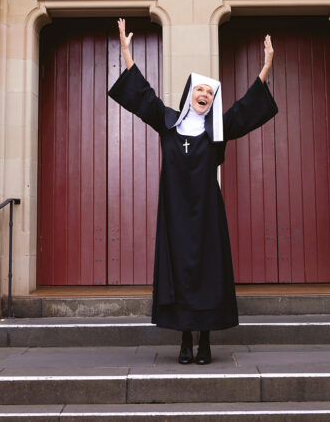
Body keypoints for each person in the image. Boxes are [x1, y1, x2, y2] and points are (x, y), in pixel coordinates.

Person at [107, 18, 277, 365]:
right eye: (200, 91)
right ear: (189, 94)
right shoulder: (168, 123)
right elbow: (143, 97)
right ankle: (185, 342)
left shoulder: (217, 129)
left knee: (207, 276)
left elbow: (246, 110)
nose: (205, 96)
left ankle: (206, 344)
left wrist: (266, 68)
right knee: (180, 276)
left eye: (210, 93)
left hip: (207, 217)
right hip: (175, 215)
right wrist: (126, 53)